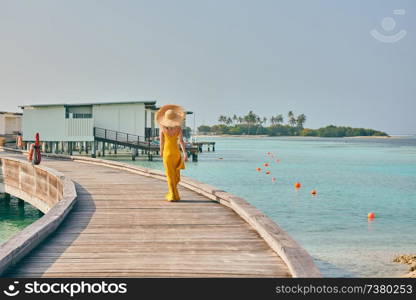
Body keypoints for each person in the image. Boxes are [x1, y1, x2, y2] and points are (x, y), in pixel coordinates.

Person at [155, 105, 188, 201]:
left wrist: (161, 152)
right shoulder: (178, 128)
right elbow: (181, 141)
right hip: (176, 153)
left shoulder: (162, 129)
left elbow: (162, 142)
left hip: (167, 153)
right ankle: (175, 194)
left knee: (169, 175)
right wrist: (185, 153)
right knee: (175, 174)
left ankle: (173, 195)